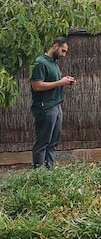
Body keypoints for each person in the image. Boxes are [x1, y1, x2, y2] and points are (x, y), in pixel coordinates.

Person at [30, 37, 76, 169]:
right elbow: (37, 86)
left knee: (53, 143)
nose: (64, 55)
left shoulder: (53, 63)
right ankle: (39, 174)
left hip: (56, 106)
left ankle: (50, 173)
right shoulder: (40, 63)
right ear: (55, 46)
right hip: (45, 107)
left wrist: (65, 80)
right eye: (63, 51)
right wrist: (60, 82)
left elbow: (53, 83)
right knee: (42, 143)